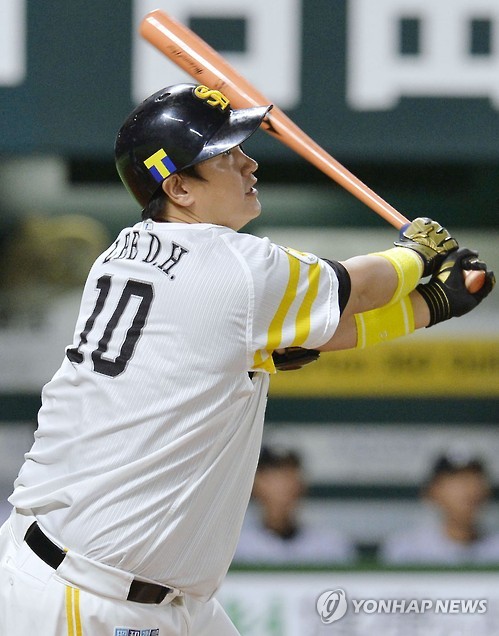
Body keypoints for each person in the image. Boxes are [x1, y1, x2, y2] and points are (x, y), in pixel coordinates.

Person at [0, 83, 494, 635]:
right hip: (88, 593)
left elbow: (320, 333)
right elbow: (358, 288)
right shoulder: (227, 264)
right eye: (226, 155)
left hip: (141, 586)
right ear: (179, 187)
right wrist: (415, 253)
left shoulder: (129, 251)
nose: (249, 163)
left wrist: (436, 303)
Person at [234, 445, 356, 564]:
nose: (281, 486)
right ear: (255, 484)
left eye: (288, 475)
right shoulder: (236, 548)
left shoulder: (331, 545)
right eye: (273, 476)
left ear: (301, 485)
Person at [380, 451, 499, 565]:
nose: (468, 490)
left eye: (474, 479)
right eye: (455, 480)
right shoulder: (406, 549)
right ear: (432, 491)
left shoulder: (495, 548)